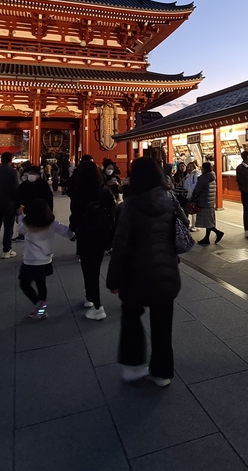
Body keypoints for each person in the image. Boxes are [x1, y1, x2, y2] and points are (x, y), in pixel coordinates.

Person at [106, 157, 184, 387]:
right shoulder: (169, 200)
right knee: (162, 324)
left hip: (136, 274)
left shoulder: (130, 206)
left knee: (131, 316)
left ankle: (133, 364)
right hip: (166, 271)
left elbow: (120, 246)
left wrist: (113, 280)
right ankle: (162, 372)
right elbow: (182, 226)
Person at [69, 160, 116, 321]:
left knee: (88, 269)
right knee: (94, 268)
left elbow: (75, 215)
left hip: (86, 234)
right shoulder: (105, 191)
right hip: (102, 234)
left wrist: (71, 230)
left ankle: (97, 305)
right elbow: (113, 212)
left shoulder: (78, 193)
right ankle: (90, 297)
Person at [18, 198, 75, 320]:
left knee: (24, 284)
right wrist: (73, 236)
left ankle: (39, 304)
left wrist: (20, 216)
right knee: (41, 283)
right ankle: (41, 309)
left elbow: (20, 230)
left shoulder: (26, 223)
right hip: (45, 260)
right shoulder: (52, 223)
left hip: (29, 261)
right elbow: (66, 232)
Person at [0, 151, 20, 259]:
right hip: (9, 202)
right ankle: (6, 250)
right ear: (11, 160)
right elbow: (16, 188)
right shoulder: (13, 172)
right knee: (8, 227)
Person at [14, 163, 54, 242]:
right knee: (26, 228)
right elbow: (18, 198)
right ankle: (23, 236)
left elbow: (49, 198)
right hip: (27, 210)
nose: (31, 175)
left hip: (41, 210)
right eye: (30, 173)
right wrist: (17, 210)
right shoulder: (24, 185)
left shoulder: (43, 184)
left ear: (38, 175)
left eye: (33, 174)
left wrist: (50, 209)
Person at [191, 162, 221, 245]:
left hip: (203, 202)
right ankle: (207, 238)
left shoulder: (203, 178)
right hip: (210, 202)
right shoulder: (212, 177)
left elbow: (197, 190)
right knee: (209, 221)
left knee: (207, 222)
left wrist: (193, 199)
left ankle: (218, 233)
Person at [183, 161, 200, 228]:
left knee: (194, 210)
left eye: (191, 167)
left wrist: (190, 189)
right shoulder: (188, 175)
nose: (189, 168)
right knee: (190, 209)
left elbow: (196, 184)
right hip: (189, 194)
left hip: (193, 194)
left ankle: (195, 225)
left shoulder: (196, 174)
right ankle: (192, 224)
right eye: (188, 167)